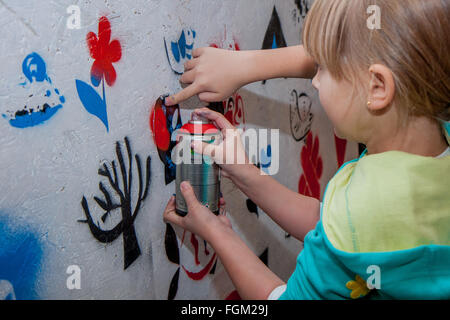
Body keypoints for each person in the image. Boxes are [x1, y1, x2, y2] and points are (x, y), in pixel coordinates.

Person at [163, 0, 450, 299]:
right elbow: (331, 226)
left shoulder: (360, 213)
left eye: (322, 68)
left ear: (377, 87)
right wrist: (247, 175)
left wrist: (216, 231)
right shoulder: (432, 137)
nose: (313, 80)